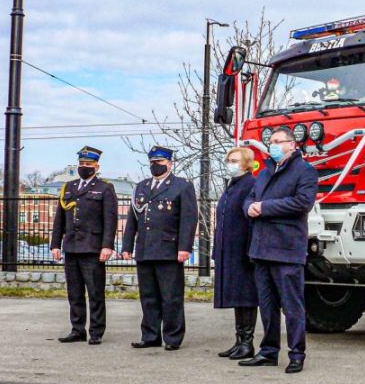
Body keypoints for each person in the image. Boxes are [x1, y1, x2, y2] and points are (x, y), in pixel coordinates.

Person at [240, 126, 318, 374]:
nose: (271, 145)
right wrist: (250, 207)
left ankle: (296, 354)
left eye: (277, 141)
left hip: (286, 249)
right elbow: (249, 198)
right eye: (270, 141)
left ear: (292, 144)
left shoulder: (304, 171)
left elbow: (302, 202)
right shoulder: (264, 173)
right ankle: (268, 351)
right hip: (261, 249)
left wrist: (264, 207)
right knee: (267, 306)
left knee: (292, 307)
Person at [121, 146, 197, 351]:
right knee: (148, 295)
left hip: (168, 250)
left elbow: (188, 220)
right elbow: (133, 220)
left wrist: (184, 247)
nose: (156, 165)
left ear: (170, 164)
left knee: (171, 297)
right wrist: (127, 246)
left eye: (160, 162)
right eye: (153, 162)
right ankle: (150, 335)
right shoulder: (141, 187)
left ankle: (172, 337)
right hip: (145, 249)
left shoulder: (182, 186)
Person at [50, 146, 118, 345]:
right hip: (71, 247)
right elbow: (59, 219)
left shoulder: (105, 188)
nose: (84, 167)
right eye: (81, 164)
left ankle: (96, 331)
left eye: (88, 164)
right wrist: (56, 244)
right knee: (75, 292)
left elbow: (110, 219)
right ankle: (77, 329)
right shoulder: (68, 187)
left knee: (95, 292)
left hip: (92, 248)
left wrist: (107, 246)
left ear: (97, 166)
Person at [214, 146, 259, 359]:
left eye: (235, 160)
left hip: (243, 250)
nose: (230, 164)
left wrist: (251, 250)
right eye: (229, 160)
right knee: (236, 296)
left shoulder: (251, 184)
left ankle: (248, 343)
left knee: (246, 296)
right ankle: (239, 340)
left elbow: (252, 221)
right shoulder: (232, 185)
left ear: (246, 163)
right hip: (229, 249)